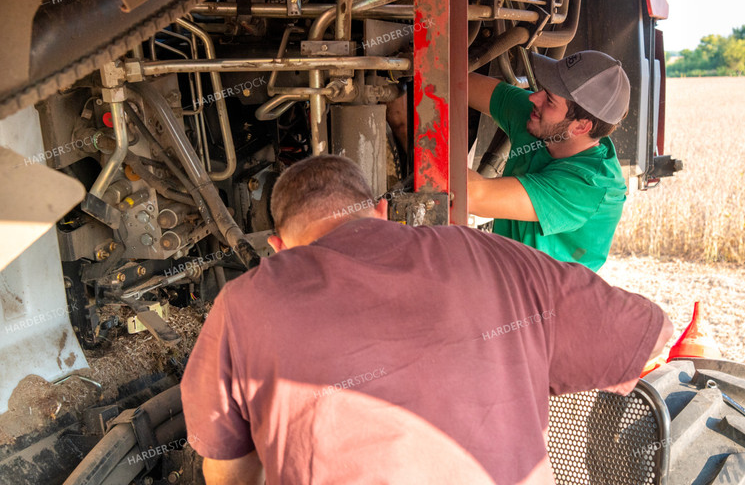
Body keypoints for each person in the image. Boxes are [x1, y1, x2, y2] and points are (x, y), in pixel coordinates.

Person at [182, 155, 672, 485]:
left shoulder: (242, 303)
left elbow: (227, 474)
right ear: (382, 210)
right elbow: (652, 337)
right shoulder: (497, 257)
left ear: (278, 246)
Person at [468, 50, 630, 271]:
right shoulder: (548, 123)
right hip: (504, 282)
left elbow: (472, 196)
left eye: (550, 100)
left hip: (539, 301)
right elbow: (459, 83)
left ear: (581, 126)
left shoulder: (589, 186)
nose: (534, 98)